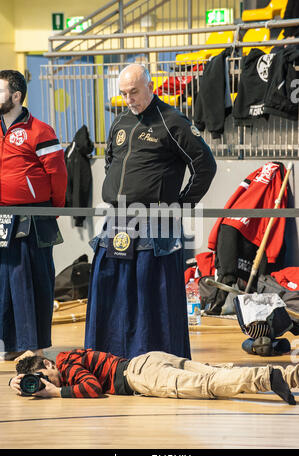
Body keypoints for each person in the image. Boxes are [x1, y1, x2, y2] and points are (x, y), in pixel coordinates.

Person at [84, 63, 216, 360]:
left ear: (150, 86)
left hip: (156, 224)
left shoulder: (173, 121)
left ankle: (157, 360)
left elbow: (205, 166)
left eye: (134, 92)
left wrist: (182, 204)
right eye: (123, 94)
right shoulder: (119, 123)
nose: (129, 99)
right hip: (117, 221)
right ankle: (110, 359)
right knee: (112, 292)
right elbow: (111, 164)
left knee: (150, 295)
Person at [0, 70, 68, 361]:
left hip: (34, 217)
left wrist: (53, 210)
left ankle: (35, 345)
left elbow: (59, 174)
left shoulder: (40, 130)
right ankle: (10, 343)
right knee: (5, 283)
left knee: (33, 282)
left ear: (16, 96)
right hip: (3, 219)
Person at [9, 348, 299, 405]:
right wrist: (19, 383)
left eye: (43, 376)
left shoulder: (65, 361)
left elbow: (93, 388)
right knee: (216, 372)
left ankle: (269, 378)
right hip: (149, 359)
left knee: (206, 386)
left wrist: (54, 393)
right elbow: (25, 363)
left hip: (139, 375)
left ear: (47, 365)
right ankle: (292, 376)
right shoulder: (61, 361)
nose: (47, 381)